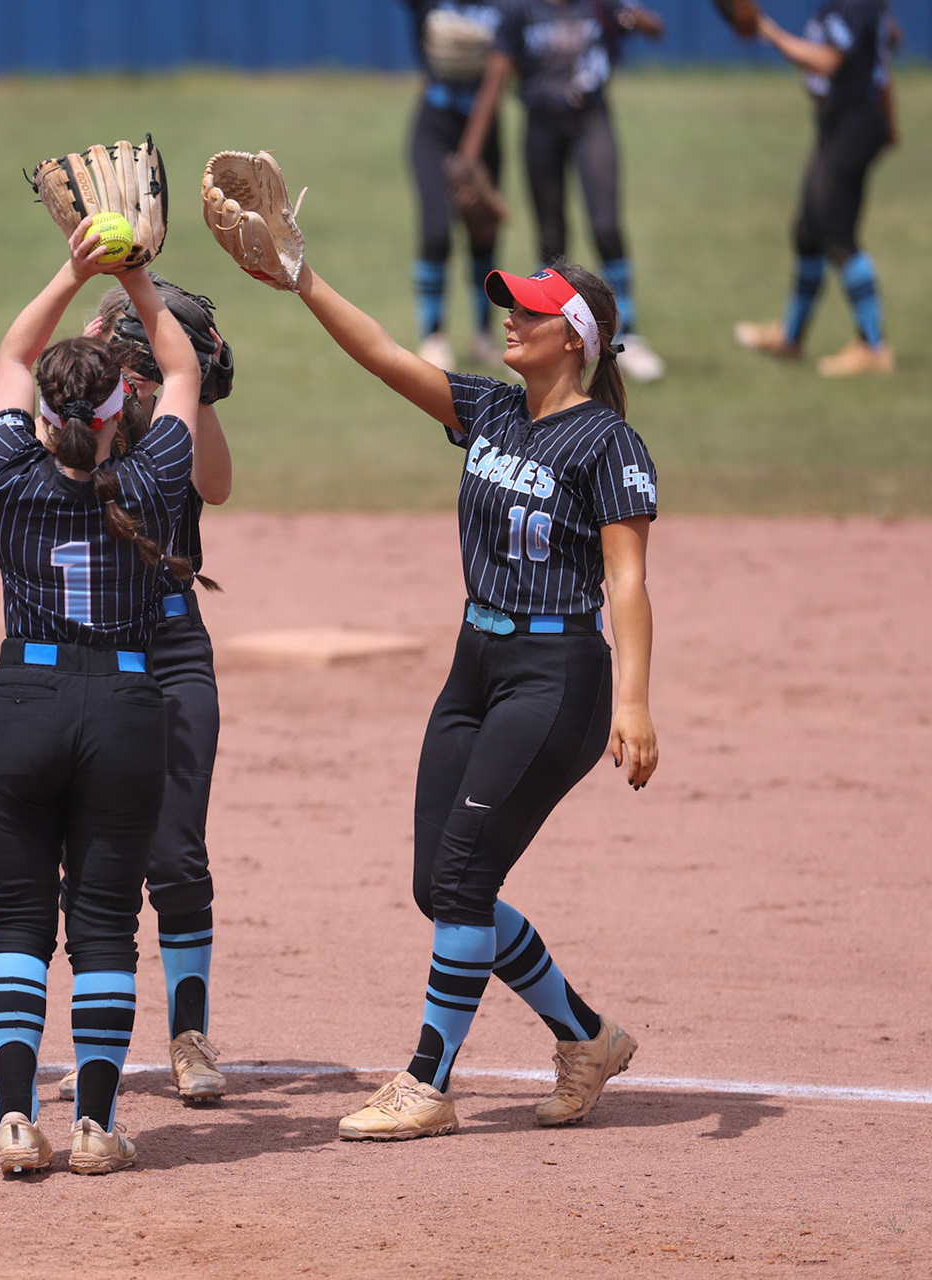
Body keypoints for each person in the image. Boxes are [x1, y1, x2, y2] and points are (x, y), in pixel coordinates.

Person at [282, 242, 658, 1140]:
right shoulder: (491, 409)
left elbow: (627, 579)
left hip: (558, 678)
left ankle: (427, 1082)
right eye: (511, 306)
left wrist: (635, 702)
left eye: (531, 311)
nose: (511, 320)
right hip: (475, 666)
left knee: (462, 878)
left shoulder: (608, 443)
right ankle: (587, 1037)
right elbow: (383, 354)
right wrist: (301, 276)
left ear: (575, 339)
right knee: (441, 884)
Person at [0, 223, 200, 1177]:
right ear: (120, 412)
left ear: (47, 417)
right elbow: (182, 370)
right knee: (105, 922)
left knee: (17, 920)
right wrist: (137, 277)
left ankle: (15, 1120)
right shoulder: (153, 476)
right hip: (125, 709)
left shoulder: (7, 469)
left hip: (20, 705)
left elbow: (12, 353)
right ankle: (97, 1129)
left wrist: (74, 270)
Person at [52, 278, 231, 1108]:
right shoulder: (80, 422)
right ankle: (99, 1041)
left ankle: (190, 1035)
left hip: (173, 642)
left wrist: (202, 390)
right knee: (91, 857)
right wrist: (98, 361)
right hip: (93, 650)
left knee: (177, 851)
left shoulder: (172, 427)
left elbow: (216, 485)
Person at [461, 0, 669, 381]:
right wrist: (469, 156)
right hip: (542, 123)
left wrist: (636, 18)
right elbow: (497, 76)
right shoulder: (521, 10)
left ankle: (629, 335)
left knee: (606, 226)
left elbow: (656, 28)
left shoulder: (597, 3)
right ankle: (545, 341)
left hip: (590, 118)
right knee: (551, 238)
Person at [735, 0, 899, 377]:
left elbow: (828, 61)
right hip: (839, 124)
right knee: (808, 231)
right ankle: (791, 337)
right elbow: (886, 46)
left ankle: (874, 346)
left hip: (855, 124)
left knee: (835, 231)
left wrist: (769, 32)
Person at [400, 0, 509, 370]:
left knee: (484, 232)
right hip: (434, 124)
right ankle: (433, 335)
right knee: (436, 232)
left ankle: (483, 335)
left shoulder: (505, 6)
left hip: (483, 126)